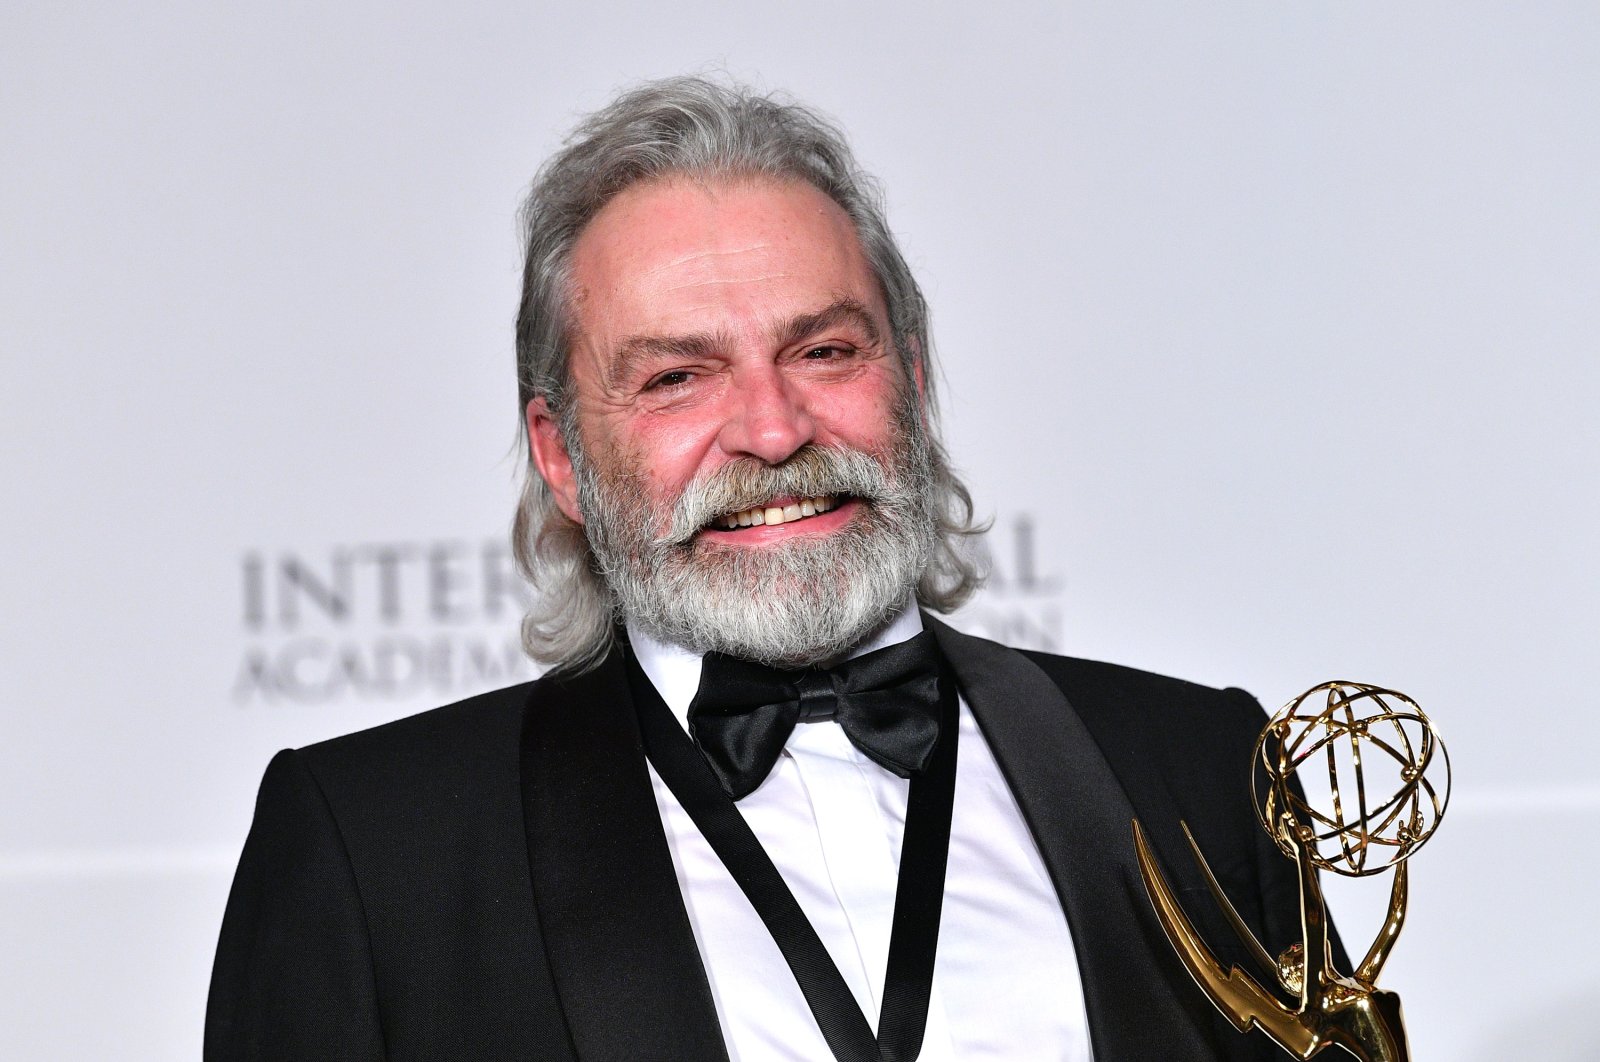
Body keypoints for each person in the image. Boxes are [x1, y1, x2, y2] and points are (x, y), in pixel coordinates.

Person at [206, 77, 1336, 1062]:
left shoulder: (1201, 775)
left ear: (914, 379)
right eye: (674, 379)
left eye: (824, 351)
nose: (773, 428)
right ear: (560, 456)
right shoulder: (377, 854)